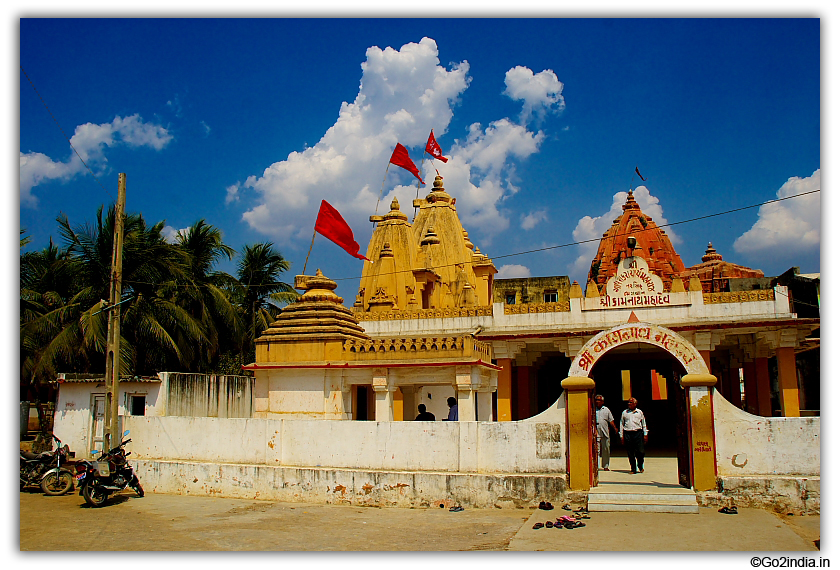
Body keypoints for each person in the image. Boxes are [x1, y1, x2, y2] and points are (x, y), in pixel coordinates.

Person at [619, 397, 648, 474]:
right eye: (628, 402)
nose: (629, 404)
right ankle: (633, 469)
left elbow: (643, 424)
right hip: (628, 433)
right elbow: (621, 424)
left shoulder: (639, 412)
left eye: (631, 402)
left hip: (637, 433)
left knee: (640, 451)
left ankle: (640, 465)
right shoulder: (624, 412)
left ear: (635, 404)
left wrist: (645, 434)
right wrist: (621, 436)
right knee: (630, 452)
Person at [594, 395, 617, 471]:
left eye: (599, 400)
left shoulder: (606, 410)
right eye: (596, 400)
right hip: (596, 431)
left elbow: (611, 420)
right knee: (596, 449)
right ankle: (596, 466)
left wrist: (615, 428)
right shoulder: (593, 409)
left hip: (605, 431)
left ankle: (605, 465)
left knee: (606, 448)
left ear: (602, 402)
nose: (597, 401)